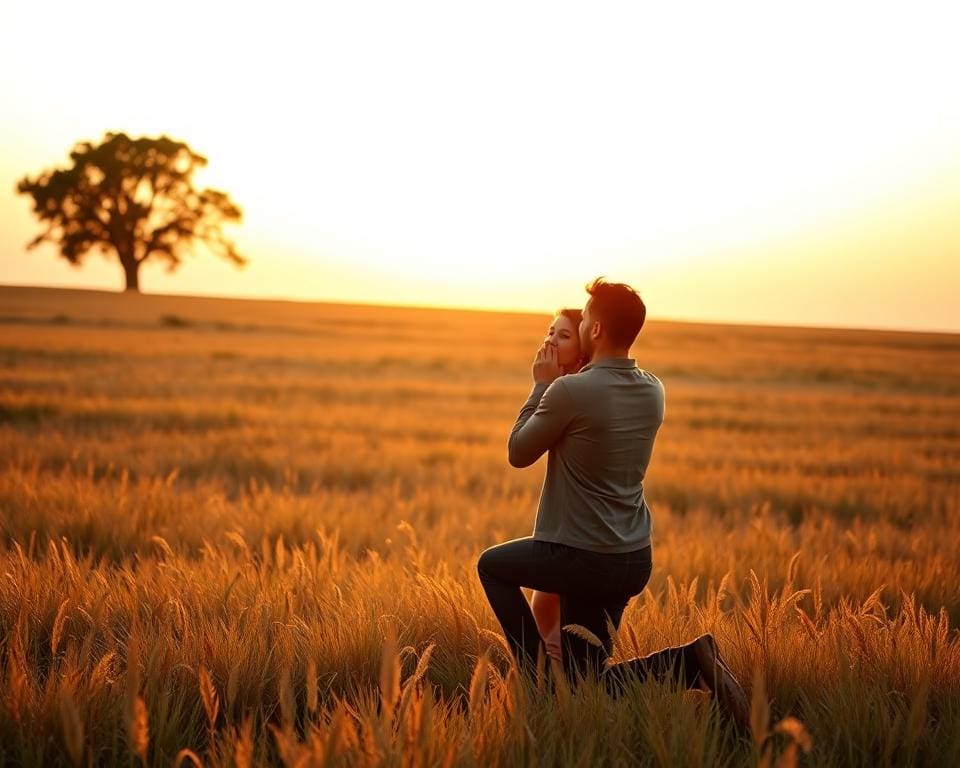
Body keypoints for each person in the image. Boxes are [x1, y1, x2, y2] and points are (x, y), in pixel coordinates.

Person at [477, 277, 749, 730]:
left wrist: (540, 386)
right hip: (631, 558)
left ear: (597, 331)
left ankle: (536, 680)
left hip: (582, 557)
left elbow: (518, 453)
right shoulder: (653, 390)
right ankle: (689, 662)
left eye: (582, 320)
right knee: (585, 686)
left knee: (492, 566)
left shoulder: (569, 393)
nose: (579, 324)